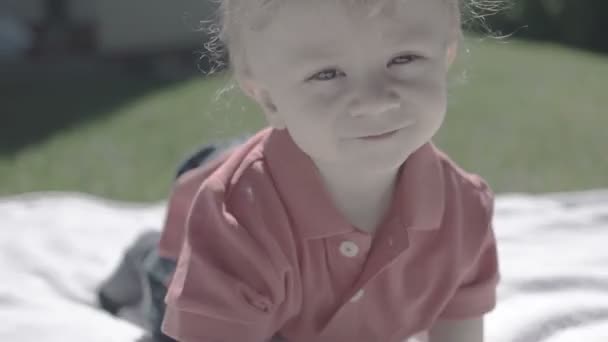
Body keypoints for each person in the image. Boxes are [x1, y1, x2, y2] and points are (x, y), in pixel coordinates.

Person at [137, 0, 502, 341]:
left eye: (403, 58)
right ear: (268, 98)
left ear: (446, 51)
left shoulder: (464, 214)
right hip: (202, 236)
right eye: (327, 74)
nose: (374, 102)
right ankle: (143, 255)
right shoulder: (238, 220)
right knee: (161, 296)